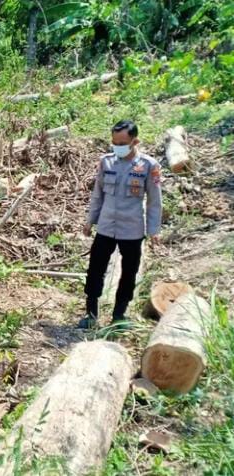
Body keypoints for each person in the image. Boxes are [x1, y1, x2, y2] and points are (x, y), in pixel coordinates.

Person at [78, 120, 162, 329]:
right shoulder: (106, 162)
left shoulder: (149, 166)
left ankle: (119, 315)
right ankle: (90, 313)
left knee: (129, 272)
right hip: (106, 226)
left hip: (132, 229)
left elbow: (154, 201)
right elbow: (97, 194)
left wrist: (153, 231)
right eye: (114, 142)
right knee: (95, 269)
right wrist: (90, 220)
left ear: (135, 141)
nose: (117, 146)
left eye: (122, 142)